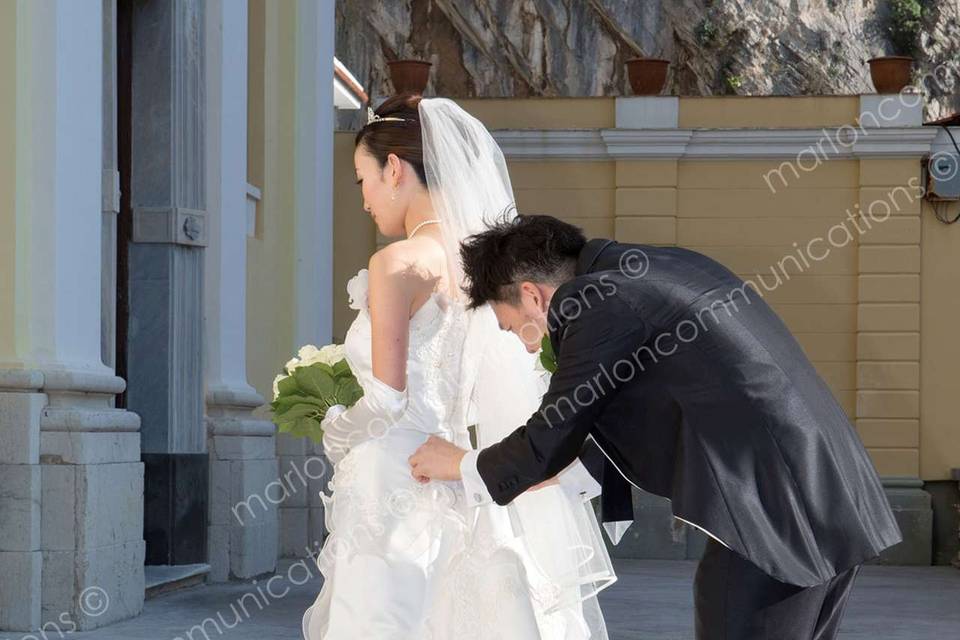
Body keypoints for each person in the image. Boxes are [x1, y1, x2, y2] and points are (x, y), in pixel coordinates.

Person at [409, 214, 903, 640]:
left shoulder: (594, 301)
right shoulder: (655, 269)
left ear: (533, 296)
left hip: (773, 517)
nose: (524, 344)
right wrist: (568, 476)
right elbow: (656, 398)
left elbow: (552, 431)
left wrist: (461, 464)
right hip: (827, 494)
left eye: (513, 326)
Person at [302, 96, 616, 640]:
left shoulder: (396, 263)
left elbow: (387, 401)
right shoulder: (482, 266)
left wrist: (333, 425)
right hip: (455, 470)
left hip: (390, 478)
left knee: (385, 617)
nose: (364, 201)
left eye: (362, 181)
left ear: (394, 169)